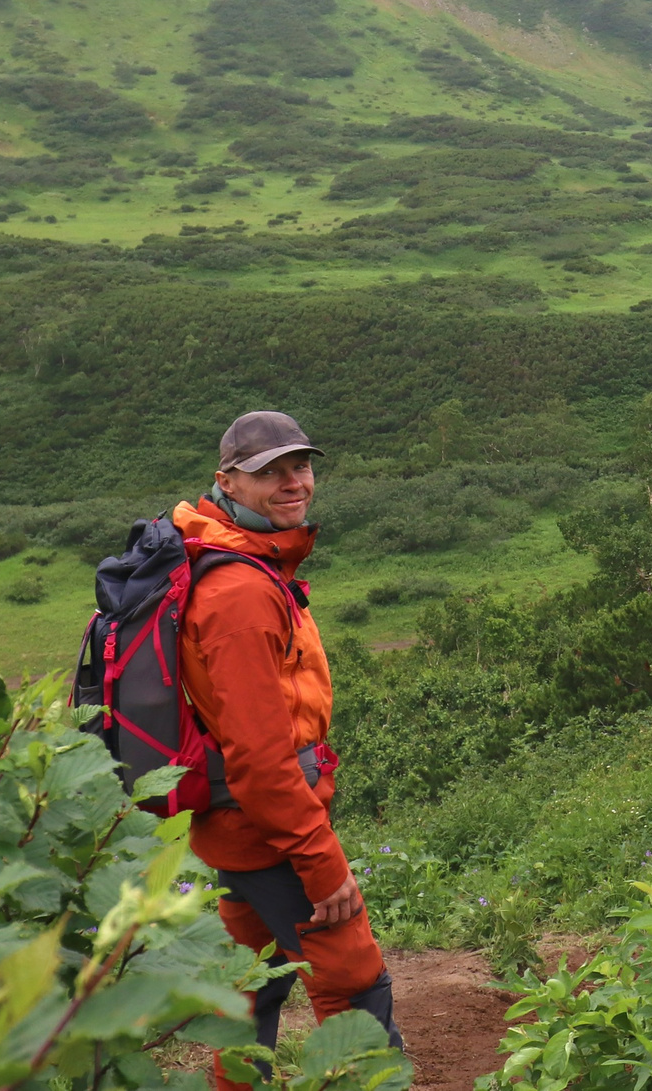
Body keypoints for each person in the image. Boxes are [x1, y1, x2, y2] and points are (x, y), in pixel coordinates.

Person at [174, 409, 402, 1086]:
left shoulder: (246, 559)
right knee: (354, 984)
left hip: (242, 823)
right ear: (227, 482)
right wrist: (320, 860)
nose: (291, 482)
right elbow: (260, 758)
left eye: (298, 465)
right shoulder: (240, 593)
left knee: (252, 984)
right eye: (267, 471)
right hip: (267, 825)